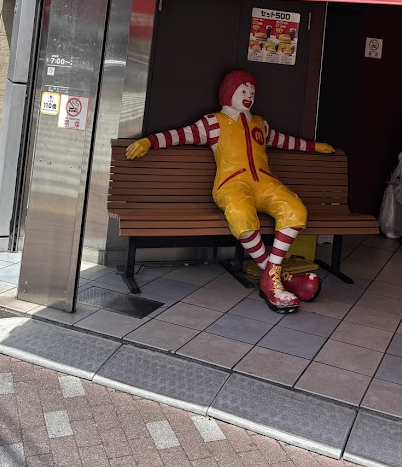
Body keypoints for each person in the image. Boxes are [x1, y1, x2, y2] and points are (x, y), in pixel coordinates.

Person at [126, 70, 335, 312]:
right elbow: (180, 135)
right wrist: (148, 142)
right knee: (241, 214)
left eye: (252, 92)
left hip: (266, 183)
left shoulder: (260, 124)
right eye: (243, 91)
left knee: (295, 208)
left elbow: (283, 140)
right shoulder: (213, 123)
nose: (249, 96)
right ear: (229, 93)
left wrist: (313, 146)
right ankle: (279, 279)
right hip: (232, 184)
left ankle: (272, 276)